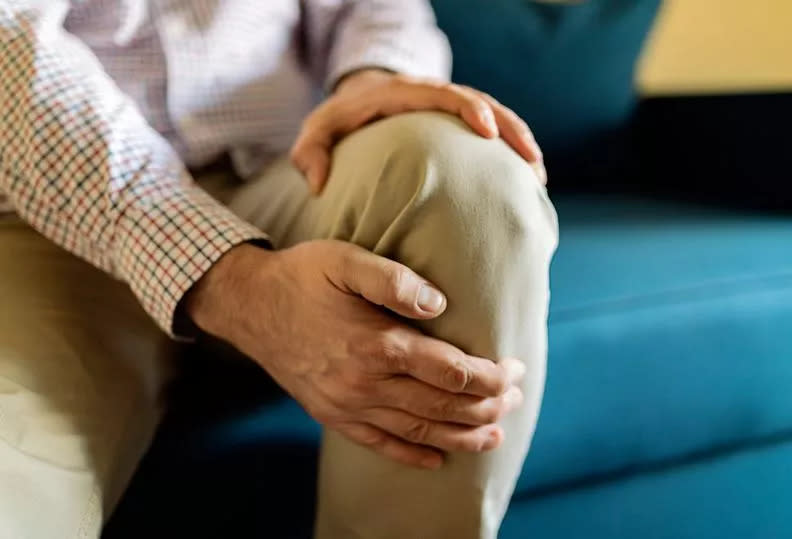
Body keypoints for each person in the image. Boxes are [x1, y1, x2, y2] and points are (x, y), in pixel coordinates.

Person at [0, 1, 558, 537]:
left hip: (283, 170)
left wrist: (373, 76)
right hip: (45, 214)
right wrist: (230, 282)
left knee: (469, 183)